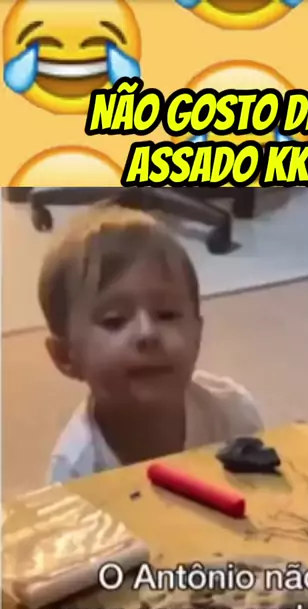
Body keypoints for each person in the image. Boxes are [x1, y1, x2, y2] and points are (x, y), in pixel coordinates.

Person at [39, 203, 263, 483]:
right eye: (115, 320)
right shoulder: (74, 474)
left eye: (167, 314)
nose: (148, 333)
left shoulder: (234, 417)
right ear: (65, 356)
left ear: (197, 334)